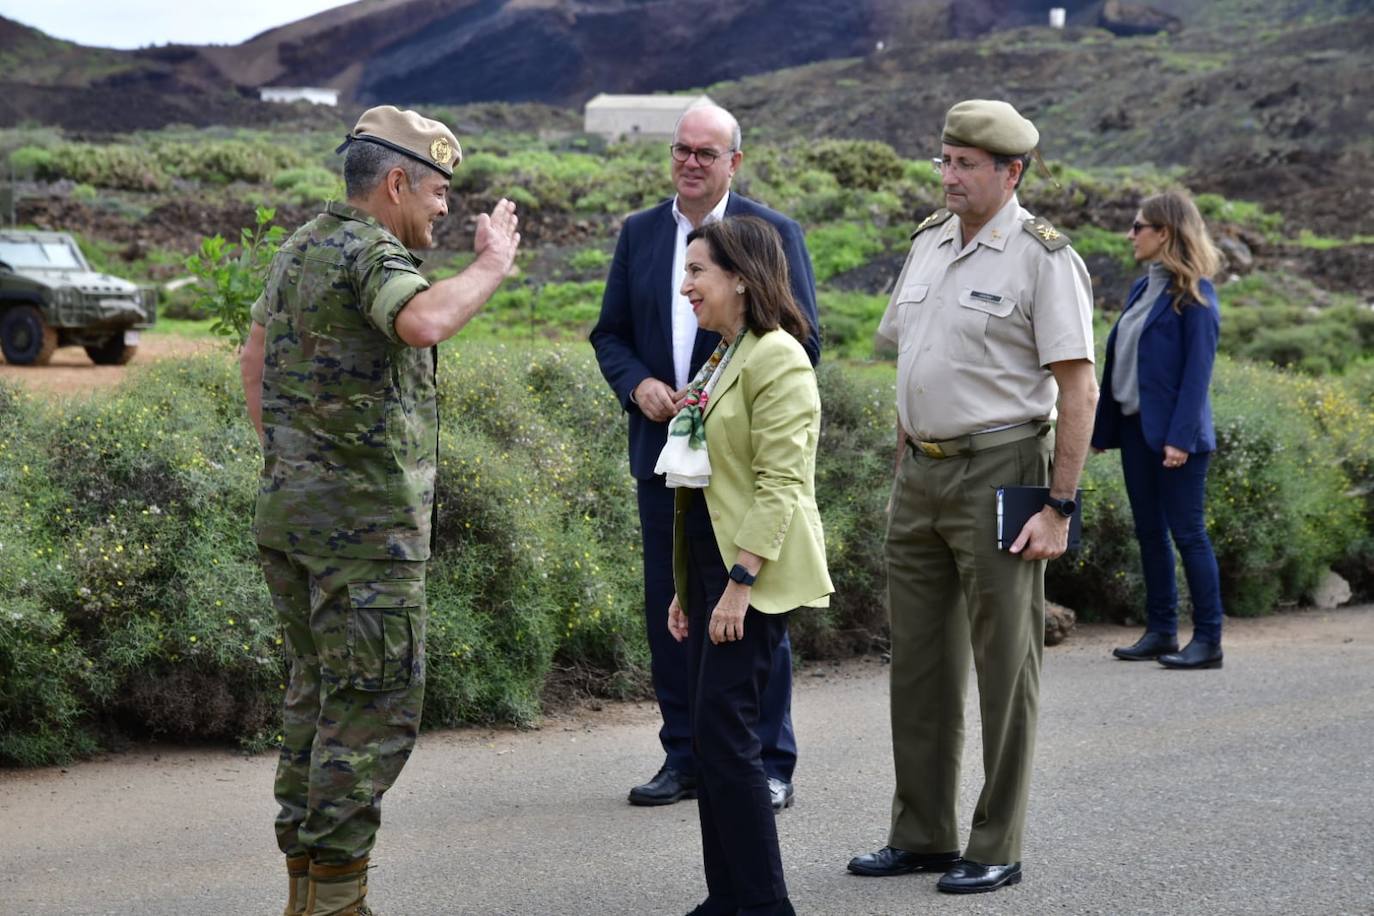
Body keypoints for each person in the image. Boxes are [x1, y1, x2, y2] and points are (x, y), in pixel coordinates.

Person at [239, 106, 520, 916]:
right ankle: (338, 902)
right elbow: (422, 320)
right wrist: (492, 264)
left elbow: (253, 357)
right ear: (396, 182)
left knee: (314, 702)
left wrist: (296, 463)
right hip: (363, 544)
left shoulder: (301, 246)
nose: (444, 209)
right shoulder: (371, 253)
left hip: (293, 523)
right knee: (370, 713)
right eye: (438, 192)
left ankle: (306, 894)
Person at [847, 99, 1097, 894]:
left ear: (1010, 172)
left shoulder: (1042, 258)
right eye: (945, 161)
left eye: (966, 165)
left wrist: (1059, 507)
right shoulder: (928, 242)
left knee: (1004, 666)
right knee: (919, 663)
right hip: (921, 473)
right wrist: (905, 456)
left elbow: (1078, 389)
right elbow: (912, 358)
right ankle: (922, 832)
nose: (949, 176)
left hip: (1004, 469)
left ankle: (996, 844)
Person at [590, 103, 821, 811]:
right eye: (681, 149)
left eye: (706, 152)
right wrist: (639, 386)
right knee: (674, 607)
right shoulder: (639, 232)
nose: (690, 162)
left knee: (751, 612)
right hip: (664, 458)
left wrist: (715, 397)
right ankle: (685, 755)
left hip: (741, 466)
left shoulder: (770, 233)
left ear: (734, 162)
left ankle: (766, 762)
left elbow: (801, 340)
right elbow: (609, 334)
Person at [664, 216, 832, 916]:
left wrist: (738, 585)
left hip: (751, 577)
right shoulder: (725, 354)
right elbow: (706, 480)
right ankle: (726, 897)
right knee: (712, 738)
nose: (686, 286)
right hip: (712, 570)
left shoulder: (778, 357)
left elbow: (779, 483)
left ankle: (764, 904)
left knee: (728, 738)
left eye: (697, 271)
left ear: (739, 277)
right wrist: (689, 588)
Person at [1093, 190, 1225, 670]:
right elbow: (1123, 364)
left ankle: (1208, 640)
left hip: (1176, 439)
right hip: (1136, 430)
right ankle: (1162, 630)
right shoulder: (1140, 289)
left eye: (1138, 226)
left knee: (1188, 535)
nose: (1130, 234)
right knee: (1149, 532)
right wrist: (1103, 429)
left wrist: (1180, 439)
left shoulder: (1196, 295)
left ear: (1164, 232)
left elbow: (1197, 376)